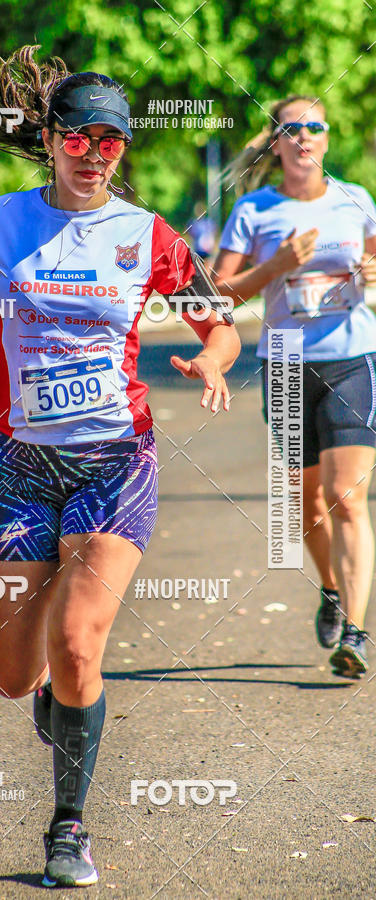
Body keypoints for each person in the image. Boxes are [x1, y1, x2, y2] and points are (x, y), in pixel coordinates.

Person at [0, 45, 240, 888]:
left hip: (115, 460)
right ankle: (53, 704)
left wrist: (214, 357)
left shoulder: (146, 235)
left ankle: (68, 826)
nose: (96, 154)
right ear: (51, 139)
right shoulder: (1, 220)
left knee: (76, 646)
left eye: (112, 141)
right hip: (19, 465)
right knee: (13, 673)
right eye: (81, 138)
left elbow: (221, 321)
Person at [212, 94, 376, 679]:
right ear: (276, 143)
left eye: (315, 126)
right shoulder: (254, 212)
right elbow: (218, 293)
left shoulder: (357, 200)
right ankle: (331, 587)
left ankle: (355, 631)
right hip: (283, 361)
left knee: (347, 496)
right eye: (292, 128)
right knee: (306, 504)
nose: (304, 136)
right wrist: (275, 265)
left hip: (351, 357)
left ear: (327, 138)